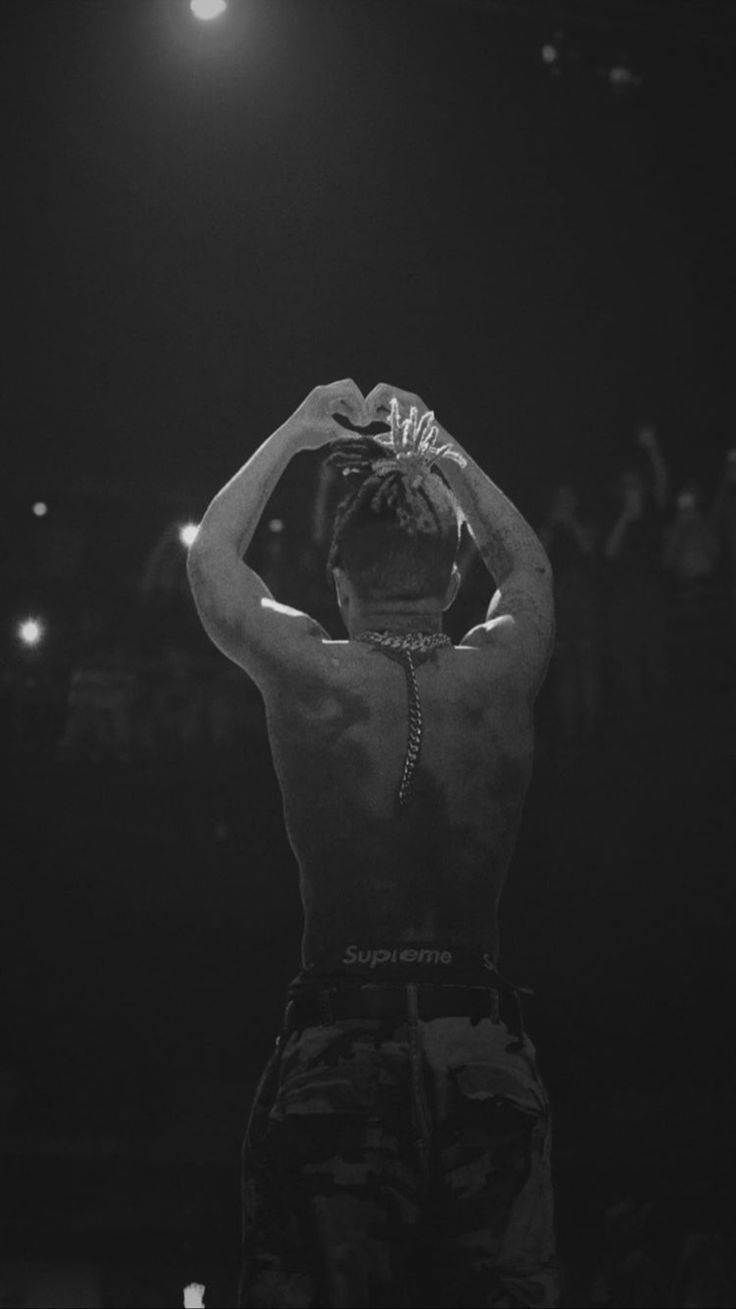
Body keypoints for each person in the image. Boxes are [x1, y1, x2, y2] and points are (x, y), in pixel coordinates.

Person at [187, 379, 559, 1308]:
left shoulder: (312, 675)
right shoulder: (501, 675)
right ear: (449, 582)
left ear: (342, 585)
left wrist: (298, 429)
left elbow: (212, 562)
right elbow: (530, 570)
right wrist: (440, 448)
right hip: (480, 1052)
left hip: (343, 1048)